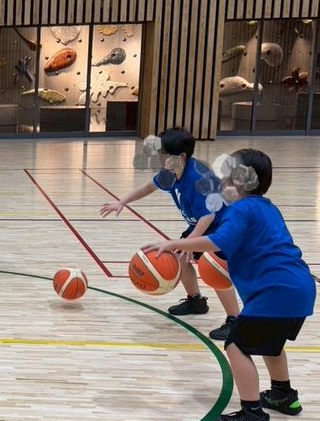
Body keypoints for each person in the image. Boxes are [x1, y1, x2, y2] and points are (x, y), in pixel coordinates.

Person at [144, 149, 315, 421]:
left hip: (275, 291)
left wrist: (175, 243)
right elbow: (237, 247)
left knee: (236, 346)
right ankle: (283, 395)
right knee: (271, 345)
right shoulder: (267, 207)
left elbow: (220, 240)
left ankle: (253, 416)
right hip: (298, 287)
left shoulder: (241, 209)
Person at [100, 127, 241, 341]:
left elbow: (208, 216)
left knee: (214, 271)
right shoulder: (170, 171)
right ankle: (196, 301)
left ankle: (234, 320)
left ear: (181, 156)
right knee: (179, 258)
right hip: (200, 226)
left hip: (220, 228)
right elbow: (148, 187)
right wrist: (122, 202)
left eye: (163, 154)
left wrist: (190, 243)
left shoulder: (198, 178)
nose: (160, 157)